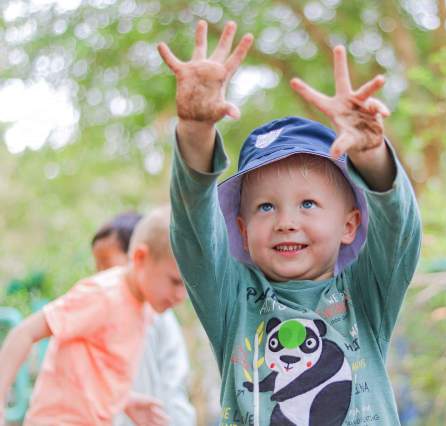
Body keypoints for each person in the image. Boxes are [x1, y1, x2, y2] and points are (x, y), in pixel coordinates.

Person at [159, 19, 421, 425]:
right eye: (265, 207)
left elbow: (398, 230)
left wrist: (370, 153)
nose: (286, 222)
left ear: (349, 225)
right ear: (243, 233)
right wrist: (195, 129)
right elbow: (193, 224)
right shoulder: (232, 299)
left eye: (309, 204)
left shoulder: (364, 296)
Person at [0, 206, 185, 426]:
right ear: (140, 257)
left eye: (187, 285)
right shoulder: (102, 294)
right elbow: (24, 332)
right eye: (175, 281)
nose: (181, 295)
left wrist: (125, 400)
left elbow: (98, 370)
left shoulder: (144, 309)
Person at [91, 211, 196, 426]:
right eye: (97, 266)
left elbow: (168, 389)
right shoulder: (108, 308)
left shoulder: (151, 314)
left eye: (106, 263)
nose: (99, 274)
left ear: (137, 258)